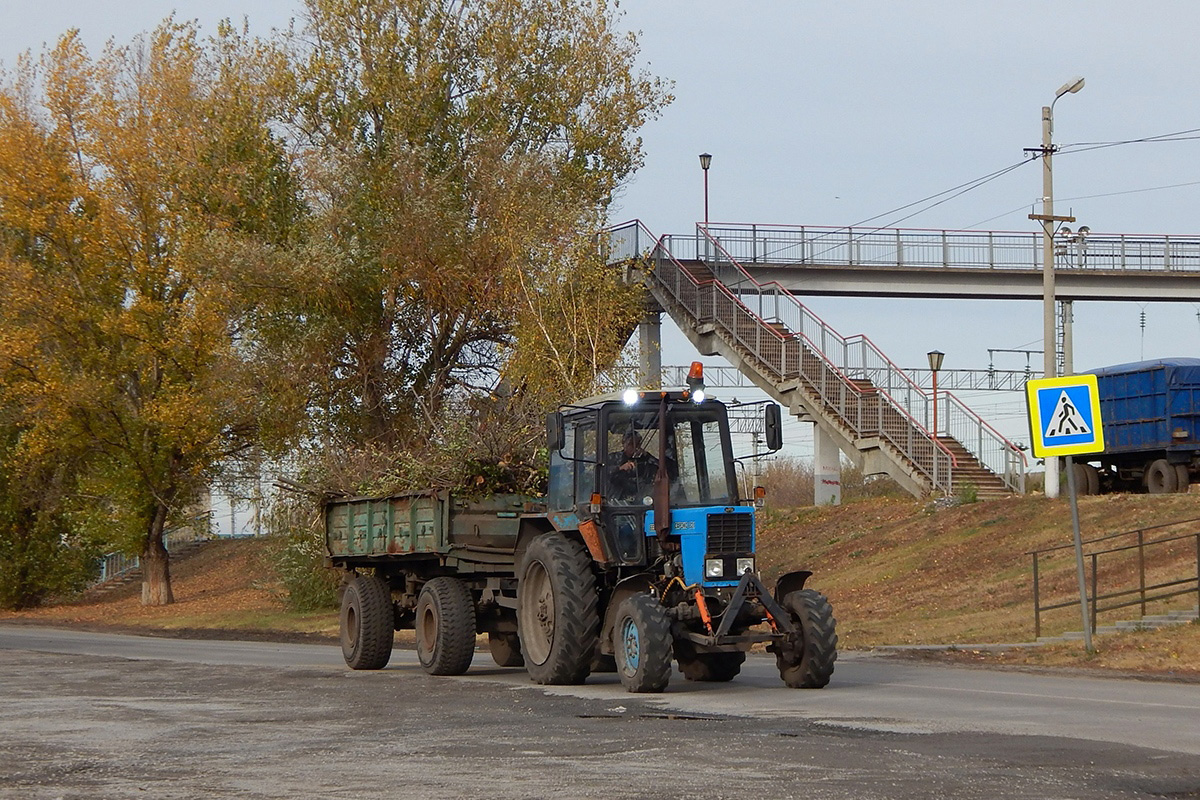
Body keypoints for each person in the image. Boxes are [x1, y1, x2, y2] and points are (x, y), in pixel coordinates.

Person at [608, 430, 658, 502]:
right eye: (631, 444)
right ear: (624, 443)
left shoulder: (645, 459)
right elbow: (601, 472)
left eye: (637, 444)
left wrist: (647, 455)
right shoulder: (614, 458)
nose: (635, 447)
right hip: (617, 499)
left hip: (642, 498)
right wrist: (619, 468)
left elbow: (662, 468)